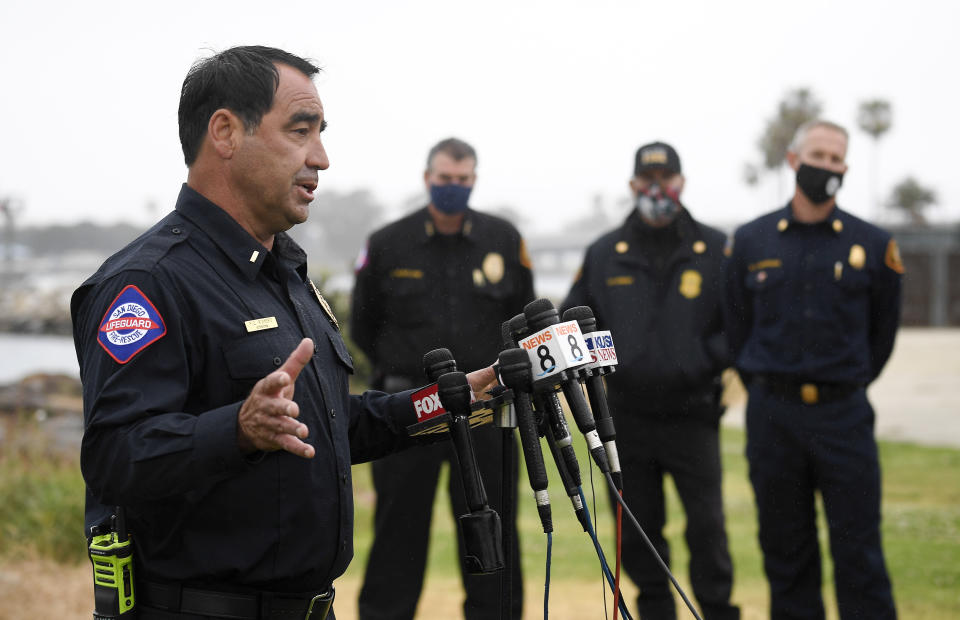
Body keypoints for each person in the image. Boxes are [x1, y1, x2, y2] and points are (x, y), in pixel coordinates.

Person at [72, 46, 494, 620]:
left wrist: (449, 402)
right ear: (225, 131)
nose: (321, 157)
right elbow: (115, 455)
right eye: (301, 131)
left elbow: (328, 423)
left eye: (321, 133)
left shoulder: (284, 272)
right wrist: (238, 430)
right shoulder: (148, 282)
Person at [724, 120, 902, 619]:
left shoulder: (873, 243)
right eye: (817, 155)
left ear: (844, 168)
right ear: (793, 161)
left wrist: (845, 378)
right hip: (773, 417)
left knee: (860, 553)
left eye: (835, 158)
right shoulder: (751, 241)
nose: (826, 166)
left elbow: (881, 337)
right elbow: (737, 328)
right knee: (786, 554)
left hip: (843, 416)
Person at [351, 137, 534, 620]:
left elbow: (523, 324)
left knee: (493, 532)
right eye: (444, 178)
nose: (453, 187)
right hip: (411, 409)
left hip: (486, 410)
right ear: (427, 177)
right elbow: (363, 325)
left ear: (473, 180)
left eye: (462, 180)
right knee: (398, 532)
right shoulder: (388, 243)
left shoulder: (504, 240)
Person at [561, 142, 739, 620]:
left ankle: (718, 610)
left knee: (707, 527)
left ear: (681, 183)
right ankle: (656, 611)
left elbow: (743, 324)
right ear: (633, 186)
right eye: (648, 180)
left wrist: (702, 359)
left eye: (666, 179)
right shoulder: (604, 253)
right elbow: (574, 322)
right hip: (626, 419)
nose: (657, 189)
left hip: (695, 414)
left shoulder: (717, 248)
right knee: (639, 529)